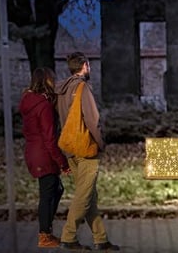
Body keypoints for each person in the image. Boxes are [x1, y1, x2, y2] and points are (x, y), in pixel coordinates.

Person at [55, 52, 119, 251]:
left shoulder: (62, 89)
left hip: (69, 148)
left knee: (89, 195)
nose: (89, 69)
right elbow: (93, 120)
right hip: (85, 147)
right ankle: (68, 236)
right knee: (84, 195)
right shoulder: (82, 87)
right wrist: (100, 142)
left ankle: (101, 239)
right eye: (88, 65)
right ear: (84, 66)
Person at [19, 67, 70, 248]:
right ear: (45, 81)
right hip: (44, 154)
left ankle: (46, 230)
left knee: (56, 189)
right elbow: (50, 138)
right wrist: (62, 163)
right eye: (52, 79)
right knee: (48, 194)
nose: (54, 82)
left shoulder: (29, 101)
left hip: (33, 152)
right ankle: (44, 235)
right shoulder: (43, 106)